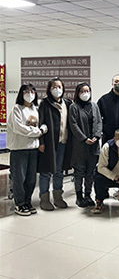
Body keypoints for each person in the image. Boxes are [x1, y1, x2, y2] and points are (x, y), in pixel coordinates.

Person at [8, 84, 46, 215]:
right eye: (26, 91)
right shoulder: (17, 109)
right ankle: (19, 204)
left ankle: (27, 201)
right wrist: (38, 132)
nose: (29, 94)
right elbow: (19, 128)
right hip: (19, 149)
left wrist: (41, 129)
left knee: (31, 179)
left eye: (32, 91)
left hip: (33, 149)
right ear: (21, 94)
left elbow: (42, 125)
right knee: (19, 178)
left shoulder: (36, 109)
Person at [37, 77, 73, 211]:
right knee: (46, 171)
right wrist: (41, 142)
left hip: (63, 143)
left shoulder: (67, 103)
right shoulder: (44, 104)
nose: (57, 89)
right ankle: (44, 199)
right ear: (49, 89)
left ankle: (58, 197)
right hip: (49, 144)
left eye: (59, 87)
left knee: (59, 171)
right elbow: (40, 123)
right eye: (54, 87)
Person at [69, 82, 102, 208]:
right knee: (79, 172)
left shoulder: (94, 106)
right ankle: (79, 196)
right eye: (82, 91)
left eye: (87, 91)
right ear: (77, 93)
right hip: (80, 146)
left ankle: (88, 195)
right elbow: (73, 125)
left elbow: (99, 122)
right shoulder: (74, 107)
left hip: (94, 145)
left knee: (90, 172)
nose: (85, 93)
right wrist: (84, 139)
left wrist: (96, 136)